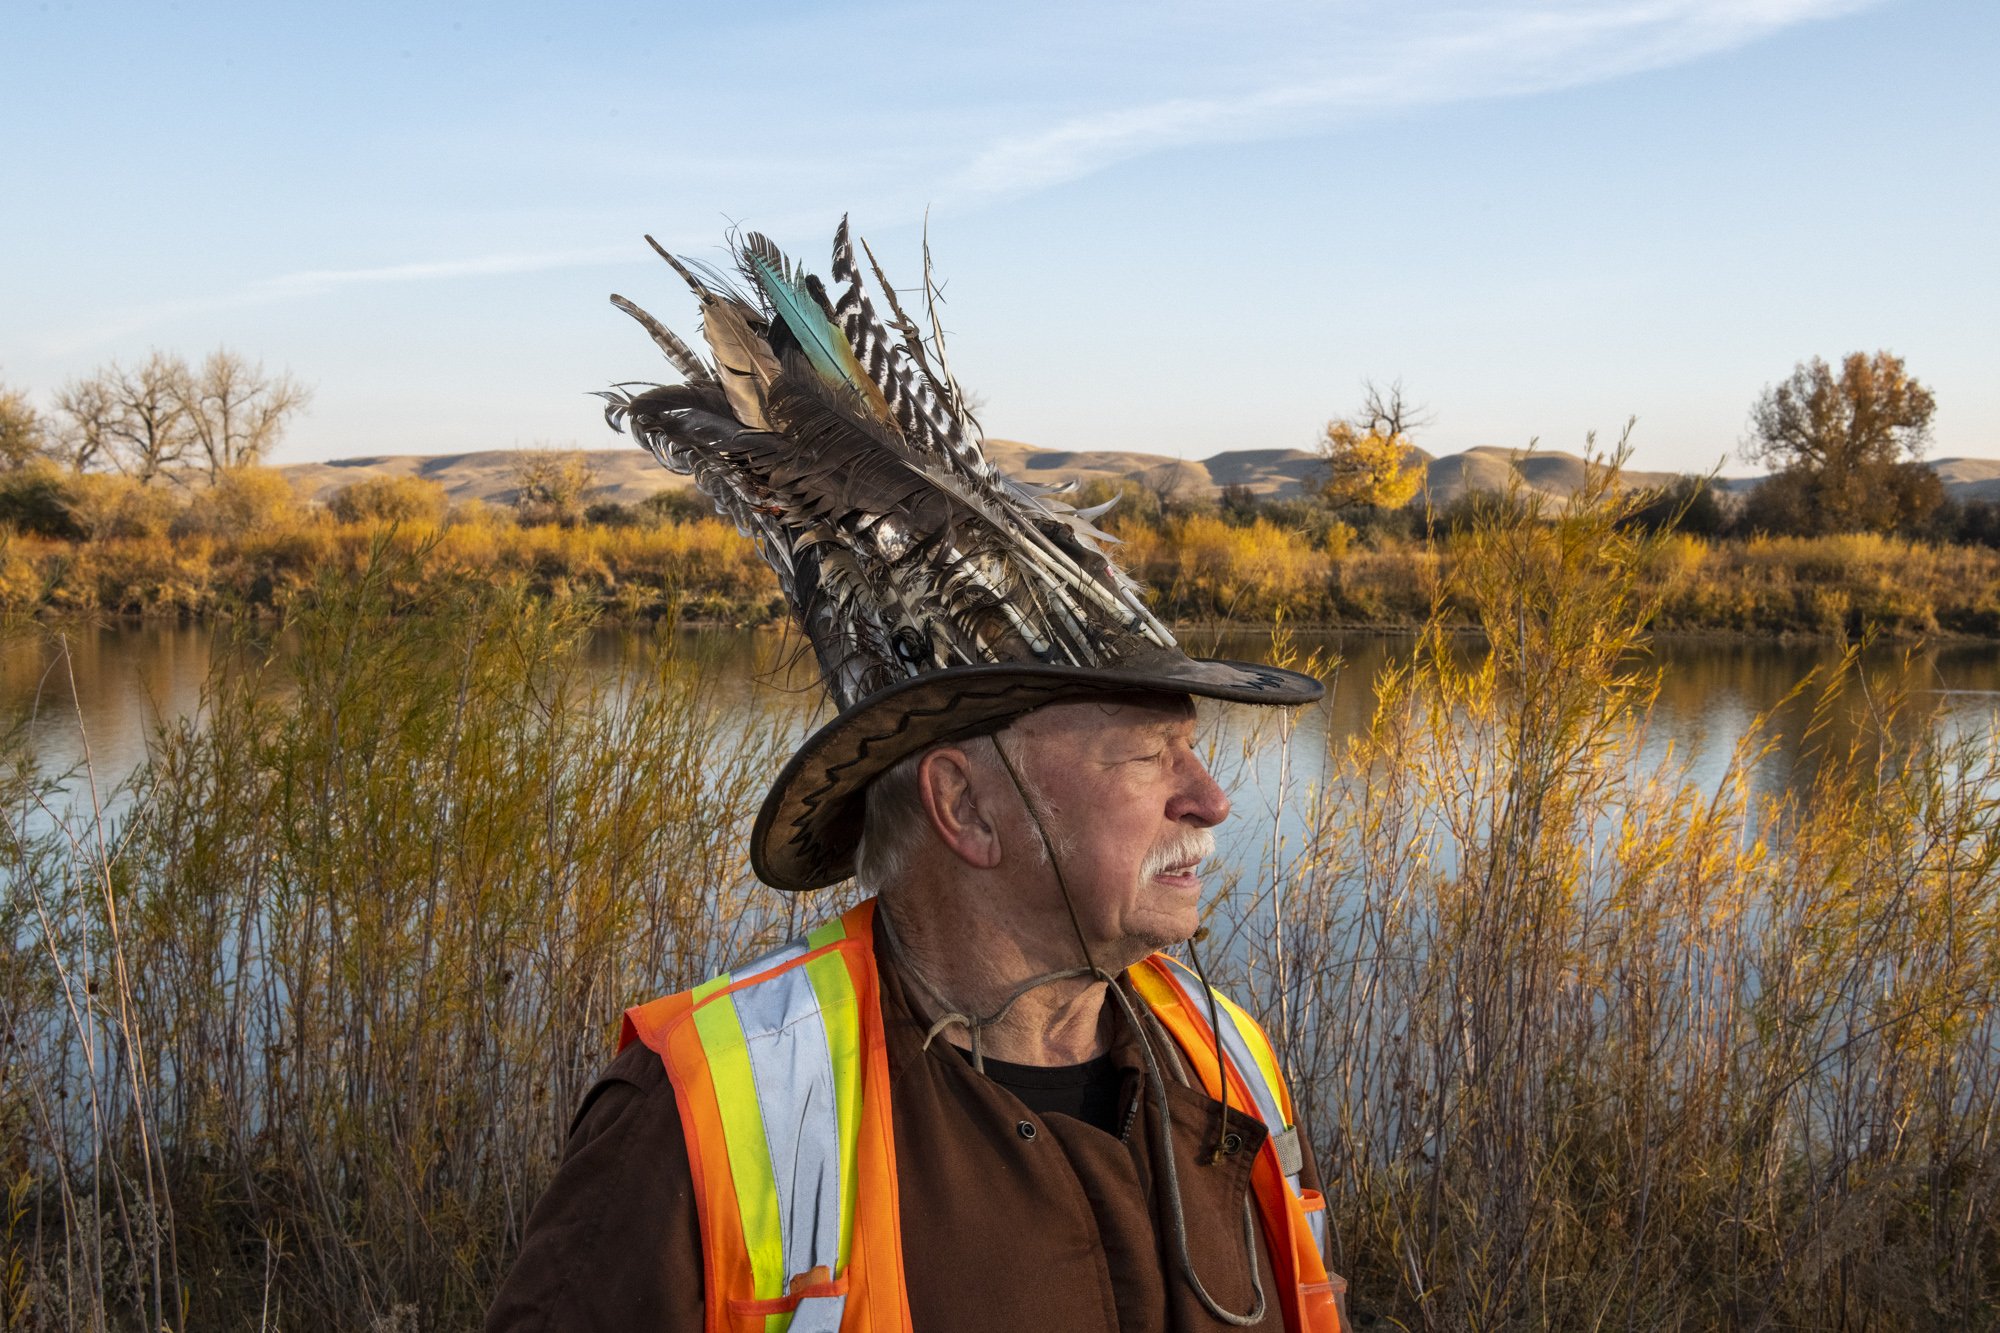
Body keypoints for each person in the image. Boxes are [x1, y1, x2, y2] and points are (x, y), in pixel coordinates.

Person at [486, 221, 1349, 1332]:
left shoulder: (1225, 1060)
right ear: (965, 806)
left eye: (1192, 747)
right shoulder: (710, 1109)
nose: (1209, 799)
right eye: (1147, 755)